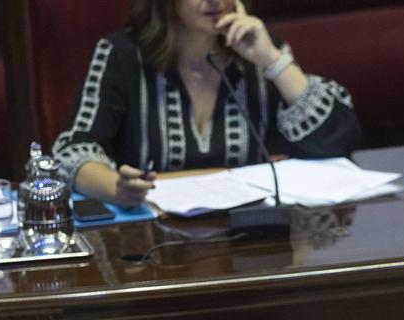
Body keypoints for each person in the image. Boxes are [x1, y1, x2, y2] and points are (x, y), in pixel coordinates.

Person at [52, 0, 360, 207]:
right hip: (152, 248)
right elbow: (72, 153)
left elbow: (335, 141)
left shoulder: (258, 49)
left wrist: (273, 60)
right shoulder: (121, 56)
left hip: (249, 244)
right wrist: (115, 188)